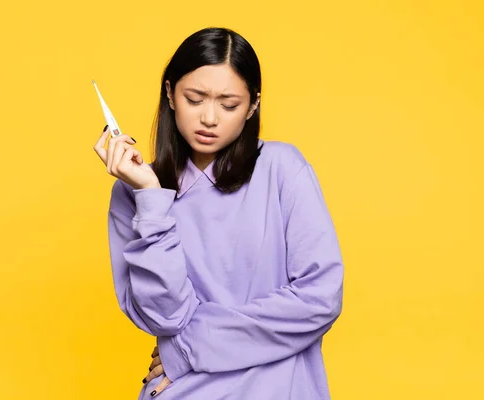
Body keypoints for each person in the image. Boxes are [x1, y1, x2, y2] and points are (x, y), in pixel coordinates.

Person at [93, 26, 344, 400]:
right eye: (195, 99)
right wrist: (150, 197)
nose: (210, 118)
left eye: (229, 105)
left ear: (253, 106)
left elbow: (319, 299)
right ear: (170, 93)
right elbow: (164, 318)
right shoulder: (135, 191)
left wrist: (187, 348)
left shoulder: (282, 168)